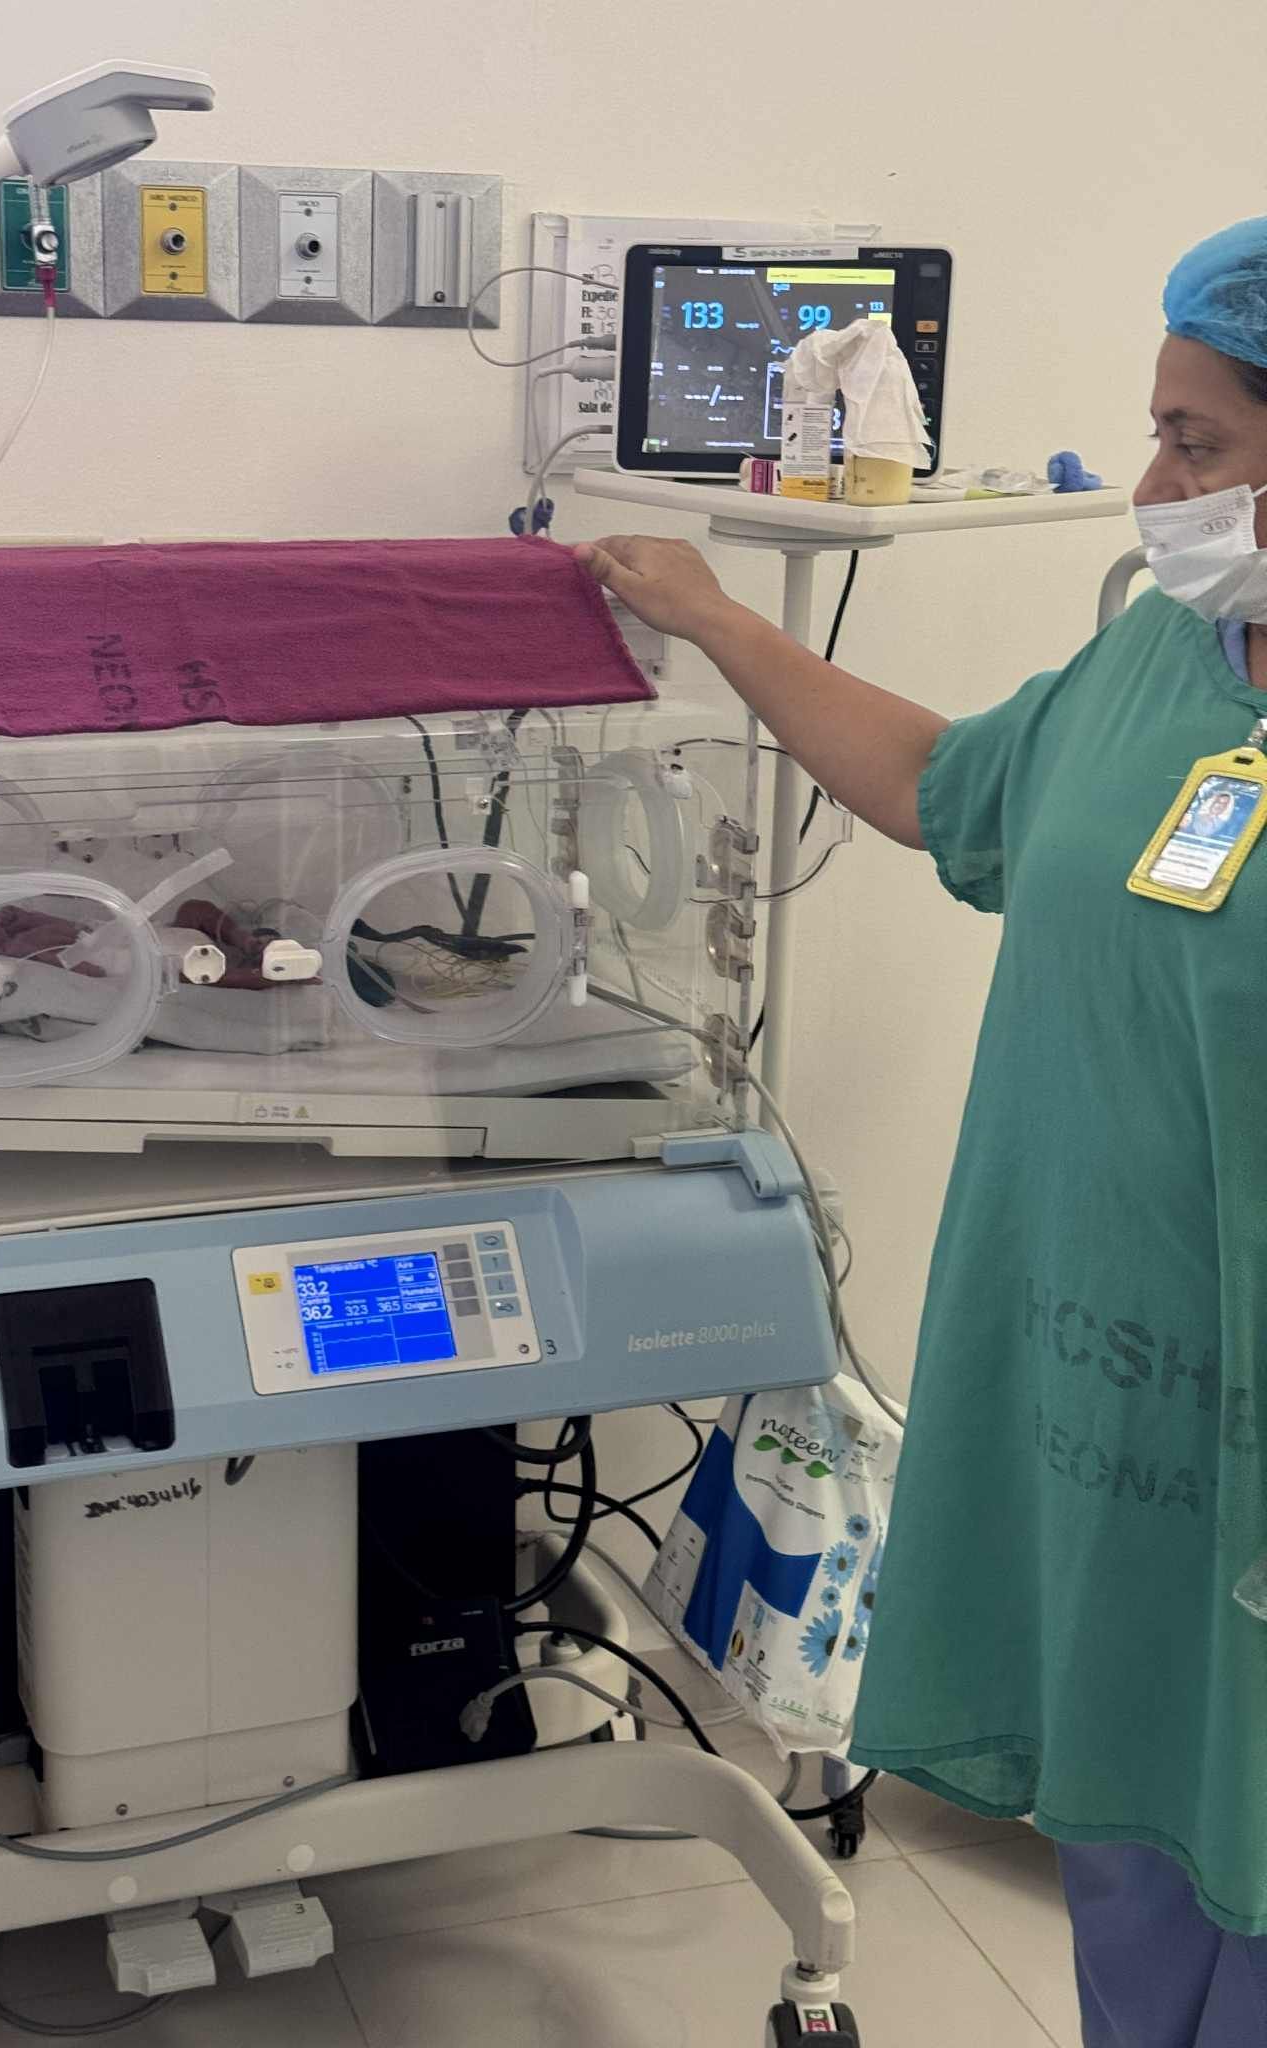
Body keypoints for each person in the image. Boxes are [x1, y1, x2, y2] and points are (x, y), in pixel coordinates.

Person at [576, 217, 1267, 2047]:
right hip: (1106, 1417)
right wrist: (721, 622)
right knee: (1132, 1826)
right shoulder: (1171, 669)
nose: (1153, 485)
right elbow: (947, 786)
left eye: (1197, 445)